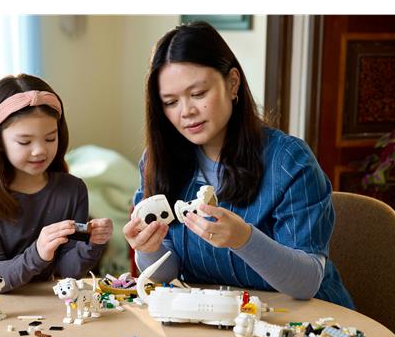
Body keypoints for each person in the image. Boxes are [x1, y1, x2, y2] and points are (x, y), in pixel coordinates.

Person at [123, 21, 354, 308]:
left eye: (198, 94)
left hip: (305, 320)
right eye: (170, 102)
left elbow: (307, 282)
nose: (186, 112)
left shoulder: (289, 161)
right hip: (214, 321)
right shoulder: (159, 160)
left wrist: (244, 239)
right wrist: (148, 249)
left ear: (233, 83)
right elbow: (167, 272)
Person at [0, 73, 113, 293]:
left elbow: (68, 270)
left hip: (37, 298)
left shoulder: (72, 190)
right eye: (24, 141)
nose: (39, 150)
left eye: (50, 138)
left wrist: (92, 243)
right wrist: (38, 253)